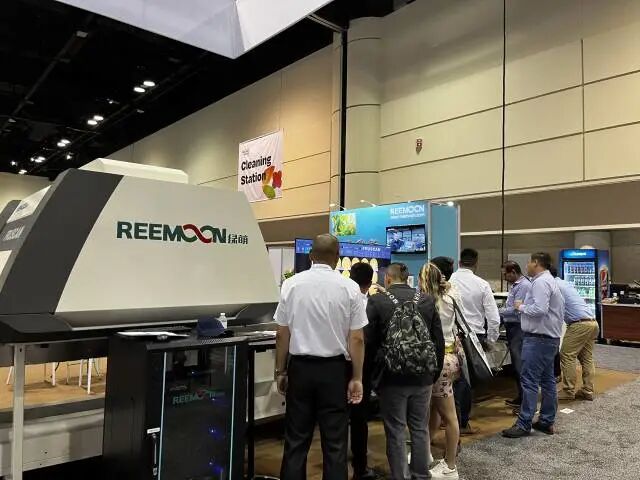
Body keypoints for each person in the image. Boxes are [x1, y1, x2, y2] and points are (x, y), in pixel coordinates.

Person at [275, 234, 367, 480]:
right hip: (334, 372)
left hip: (300, 369)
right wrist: (357, 377)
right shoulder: (350, 288)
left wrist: (280, 371)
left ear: (310, 256)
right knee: (335, 443)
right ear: (338, 257)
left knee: (295, 441)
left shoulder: (291, 285)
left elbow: (282, 334)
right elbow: (357, 339)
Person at [367, 263, 445, 480]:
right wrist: (434, 372)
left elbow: (369, 341)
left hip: (391, 376)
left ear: (388, 279)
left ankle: (400, 476)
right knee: (420, 427)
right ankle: (421, 474)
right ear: (407, 278)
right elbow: (438, 340)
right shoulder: (426, 300)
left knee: (395, 429)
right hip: (423, 375)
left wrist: (371, 377)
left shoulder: (377, 301)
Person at [502, 252, 564, 438]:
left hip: (538, 339)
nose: (527, 265)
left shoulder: (540, 282)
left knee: (529, 381)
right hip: (548, 339)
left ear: (536, 263)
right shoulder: (549, 281)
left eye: (529, 262)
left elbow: (539, 309)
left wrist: (520, 307)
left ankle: (524, 423)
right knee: (547, 381)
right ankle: (546, 421)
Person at [419, 263, 460, 480]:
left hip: (438, 361)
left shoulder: (425, 303)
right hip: (451, 358)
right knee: (435, 409)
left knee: (448, 416)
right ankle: (424, 452)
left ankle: (450, 466)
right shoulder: (451, 297)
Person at [431, 257, 472, 436]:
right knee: (438, 406)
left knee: (446, 412)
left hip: (438, 358)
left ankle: (452, 450)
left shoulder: (430, 297)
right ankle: (429, 443)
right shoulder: (453, 294)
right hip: (451, 355)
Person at [549, 267, 600, 401]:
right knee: (586, 358)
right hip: (592, 322)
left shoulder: (553, 285)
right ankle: (587, 390)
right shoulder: (564, 283)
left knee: (567, 355)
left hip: (579, 325)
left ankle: (568, 390)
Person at [349, 262, 377, 480]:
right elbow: (362, 339)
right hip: (363, 367)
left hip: (337, 364)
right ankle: (360, 467)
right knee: (359, 418)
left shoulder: (342, 298)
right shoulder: (371, 304)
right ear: (370, 282)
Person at [449, 248, 500, 349]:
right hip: (476, 336)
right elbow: (493, 318)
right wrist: (490, 341)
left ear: (459, 263)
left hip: (453, 336)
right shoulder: (483, 285)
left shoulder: (448, 281)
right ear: (476, 264)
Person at [499, 261, 532, 411]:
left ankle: (525, 402)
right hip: (513, 327)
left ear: (513, 272)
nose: (504, 277)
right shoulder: (516, 285)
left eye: (505, 274)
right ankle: (521, 398)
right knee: (517, 365)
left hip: (518, 328)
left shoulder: (523, 286)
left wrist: (497, 312)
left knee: (520, 366)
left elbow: (516, 309)